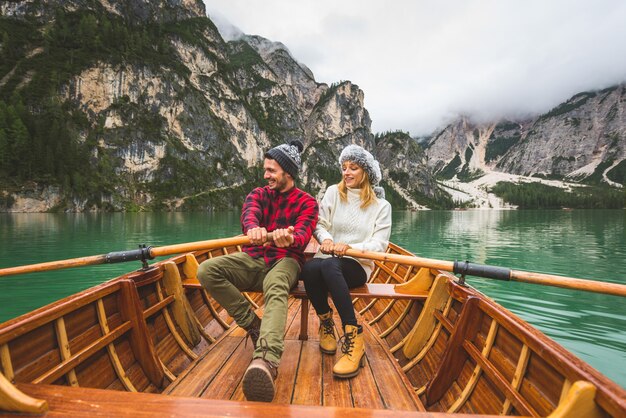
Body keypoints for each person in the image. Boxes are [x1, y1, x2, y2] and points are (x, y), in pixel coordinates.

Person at [197, 140, 318, 402]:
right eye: (265, 169)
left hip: (286, 261)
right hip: (254, 259)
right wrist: (253, 228)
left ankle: (266, 360)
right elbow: (249, 216)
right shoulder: (258, 194)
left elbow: (303, 234)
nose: (266, 175)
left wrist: (291, 238)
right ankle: (253, 324)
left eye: (272, 170)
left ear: (288, 172)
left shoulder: (307, 202)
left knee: (275, 287)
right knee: (206, 270)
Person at [301, 144, 392, 379]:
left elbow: (379, 245)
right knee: (310, 268)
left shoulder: (382, 206)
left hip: (358, 265)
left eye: (353, 168)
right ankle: (326, 324)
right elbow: (319, 225)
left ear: (366, 173)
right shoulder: (333, 192)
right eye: (344, 167)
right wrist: (328, 239)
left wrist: (350, 248)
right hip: (328, 259)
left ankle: (354, 338)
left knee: (329, 265)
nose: (347, 172)